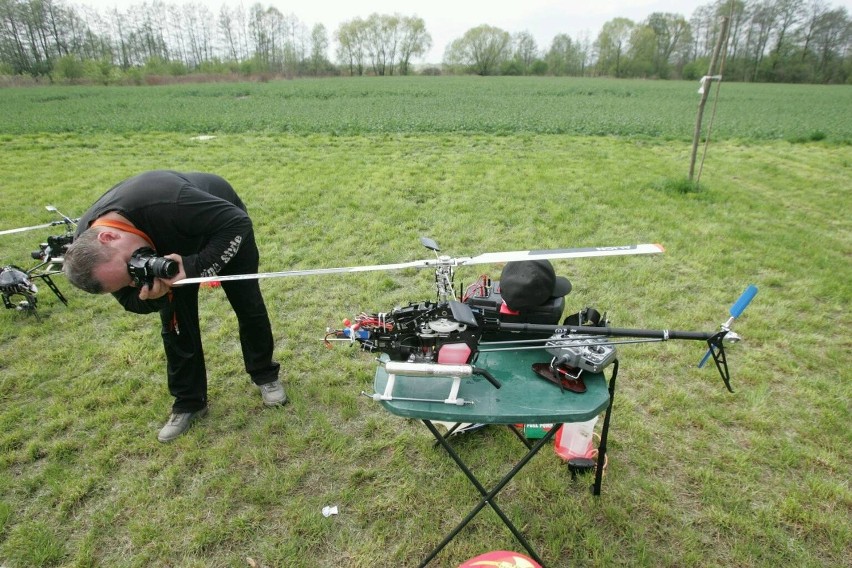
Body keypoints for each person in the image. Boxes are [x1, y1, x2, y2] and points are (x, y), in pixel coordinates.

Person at [63, 170, 286, 443]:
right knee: (174, 323)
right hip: (165, 242)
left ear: (109, 237)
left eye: (130, 267)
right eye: (129, 280)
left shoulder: (167, 200)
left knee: (247, 302)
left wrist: (194, 266)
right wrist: (155, 295)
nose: (134, 277)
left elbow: (238, 222)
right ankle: (189, 402)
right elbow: (132, 303)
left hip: (219, 227)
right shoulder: (90, 254)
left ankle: (265, 374)